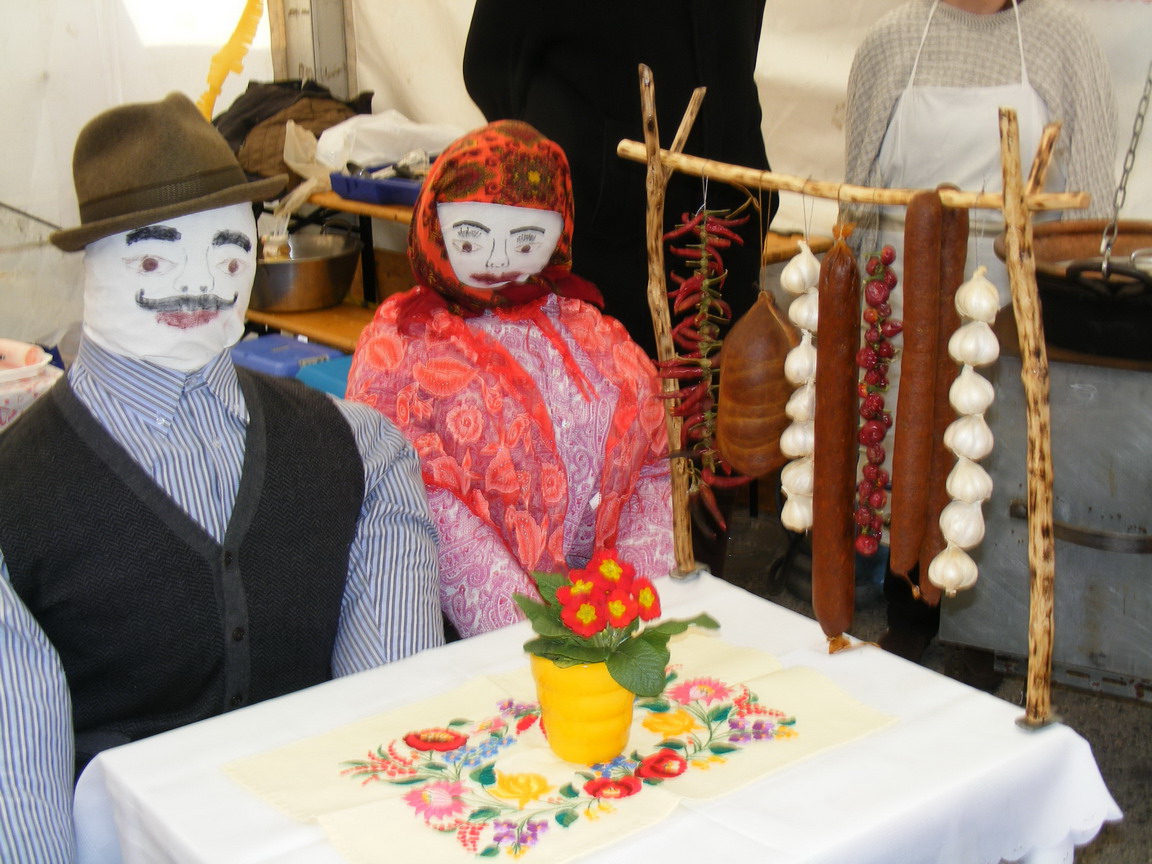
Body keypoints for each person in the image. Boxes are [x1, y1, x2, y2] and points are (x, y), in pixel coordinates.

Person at [0, 92, 442, 860]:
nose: (198, 283)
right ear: (95, 264)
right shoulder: (14, 506)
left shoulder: (365, 455)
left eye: (229, 254)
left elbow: (390, 729)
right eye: (152, 260)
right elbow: (23, 800)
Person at [843, 0, 1117, 661]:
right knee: (910, 455)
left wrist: (1069, 304)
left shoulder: (1065, 43)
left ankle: (991, 633)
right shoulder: (889, 42)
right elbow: (856, 196)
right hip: (905, 293)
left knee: (994, 462)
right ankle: (910, 612)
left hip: (1008, 295)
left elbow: (1093, 204)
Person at [346, 120, 675, 640]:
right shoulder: (402, 346)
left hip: (605, 614)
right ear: (433, 226)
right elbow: (422, 497)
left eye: (525, 242)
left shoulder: (588, 329)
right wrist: (526, 630)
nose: (498, 260)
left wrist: (629, 596)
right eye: (470, 239)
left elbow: (652, 460)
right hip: (473, 630)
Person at [462, 0, 777, 361]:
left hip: (730, 221)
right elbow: (489, 63)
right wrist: (597, 163)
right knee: (602, 383)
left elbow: (737, 43)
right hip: (605, 238)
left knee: (725, 382)